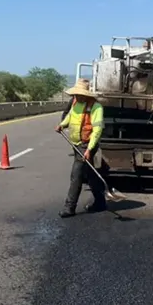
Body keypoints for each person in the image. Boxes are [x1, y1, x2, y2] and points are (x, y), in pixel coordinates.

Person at [55, 78, 105, 217]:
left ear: (85, 94)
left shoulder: (96, 107)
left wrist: (89, 149)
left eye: (78, 94)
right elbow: (71, 116)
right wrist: (62, 125)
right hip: (76, 143)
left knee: (76, 175)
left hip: (87, 145)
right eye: (75, 94)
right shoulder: (76, 103)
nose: (75, 97)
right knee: (90, 174)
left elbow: (97, 130)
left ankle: (69, 207)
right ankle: (100, 202)